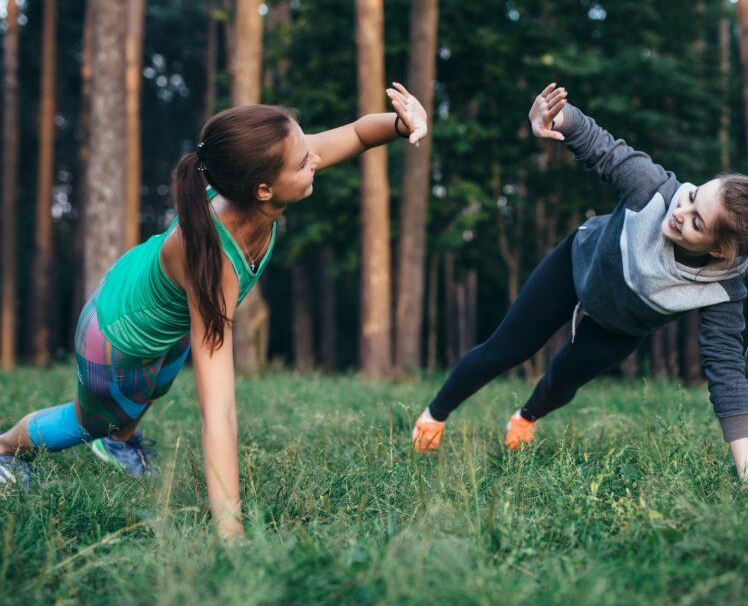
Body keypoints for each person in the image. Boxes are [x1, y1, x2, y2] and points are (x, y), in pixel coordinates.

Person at [0, 82, 428, 539]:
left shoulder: (264, 176)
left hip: (161, 315)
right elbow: (218, 411)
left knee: (153, 393)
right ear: (263, 190)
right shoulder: (214, 266)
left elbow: (360, 134)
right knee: (91, 421)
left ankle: (119, 443)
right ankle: (7, 448)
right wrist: (231, 532)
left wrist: (405, 123)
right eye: (304, 161)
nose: (316, 158)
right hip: (116, 337)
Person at [412, 83, 748, 479]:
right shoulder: (653, 190)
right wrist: (557, 116)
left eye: (697, 221)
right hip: (575, 267)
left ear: (719, 251)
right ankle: (434, 415)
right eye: (693, 196)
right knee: (503, 349)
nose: (681, 210)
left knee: (561, 381)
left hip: (620, 326)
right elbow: (601, 145)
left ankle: (524, 419)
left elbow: (726, 373)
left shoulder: (722, 291)